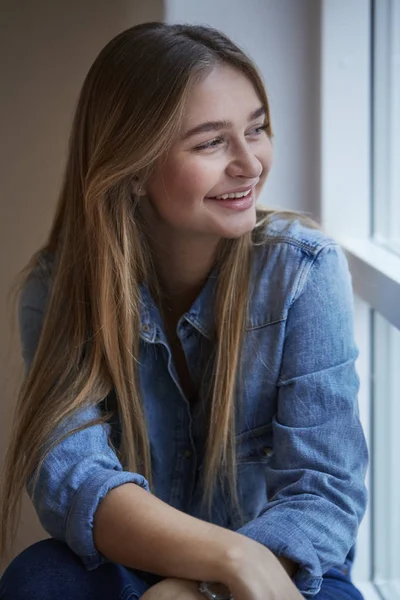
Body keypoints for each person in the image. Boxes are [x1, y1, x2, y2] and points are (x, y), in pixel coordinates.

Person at [0, 22, 368, 600]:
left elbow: (323, 490)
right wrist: (226, 559)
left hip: (282, 562)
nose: (250, 164)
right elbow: (74, 478)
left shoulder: (304, 270)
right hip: (150, 562)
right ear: (136, 167)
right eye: (211, 142)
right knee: (40, 578)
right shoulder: (59, 287)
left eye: (257, 128)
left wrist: (191, 591)